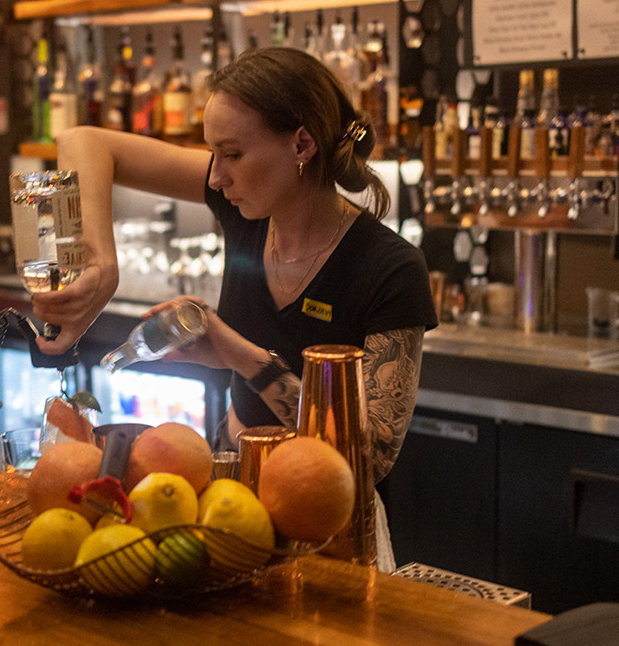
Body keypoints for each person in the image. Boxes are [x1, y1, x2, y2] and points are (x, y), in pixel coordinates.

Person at [44, 46, 437, 570]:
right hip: (228, 503)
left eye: (231, 154)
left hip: (327, 532)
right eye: (213, 155)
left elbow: (369, 458)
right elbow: (81, 141)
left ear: (301, 143)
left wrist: (244, 359)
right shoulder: (245, 212)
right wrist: (101, 264)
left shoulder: (389, 269)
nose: (214, 178)